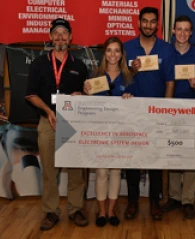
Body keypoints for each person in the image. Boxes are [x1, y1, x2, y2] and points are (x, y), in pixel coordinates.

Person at [25, 18, 89, 231]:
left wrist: (82, 94)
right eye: (56, 33)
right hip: (47, 122)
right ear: (51, 37)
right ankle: (51, 212)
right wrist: (48, 110)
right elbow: (30, 94)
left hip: (72, 124)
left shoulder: (79, 66)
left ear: (70, 37)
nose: (60, 37)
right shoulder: (39, 63)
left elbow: (88, 95)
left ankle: (75, 209)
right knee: (49, 171)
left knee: (76, 170)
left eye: (64, 33)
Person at [123, 6, 174, 221]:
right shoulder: (126, 47)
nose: (148, 25)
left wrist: (166, 109)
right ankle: (133, 200)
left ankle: (155, 201)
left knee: (155, 159)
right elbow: (120, 80)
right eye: (145, 21)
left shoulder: (166, 49)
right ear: (138, 22)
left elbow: (170, 82)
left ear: (158, 24)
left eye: (153, 21)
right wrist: (131, 71)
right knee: (133, 159)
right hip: (132, 111)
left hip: (156, 112)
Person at [83, 36, 132, 227]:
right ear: (105, 53)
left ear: (122, 54)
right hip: (100, 132)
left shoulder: (128, 78)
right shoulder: (95, 76)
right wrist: (87, 93)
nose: (113, 54)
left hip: (120, 133)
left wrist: (130, 98)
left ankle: (112, 212)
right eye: (109, 50)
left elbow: (135, 109)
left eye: (117, 50)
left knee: (116, 171)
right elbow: (87, 109)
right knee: (102, 172)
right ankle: (101, 213)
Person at [161, 15, 195, 219]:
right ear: (173, 31)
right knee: (172, 155)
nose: (182, 33)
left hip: (191, 109)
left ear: (191, 32)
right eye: (178, 29)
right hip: (168, 109)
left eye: (186, 30)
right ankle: (175, 197)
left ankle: (188, 200)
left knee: (188, 156)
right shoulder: (164, 52)